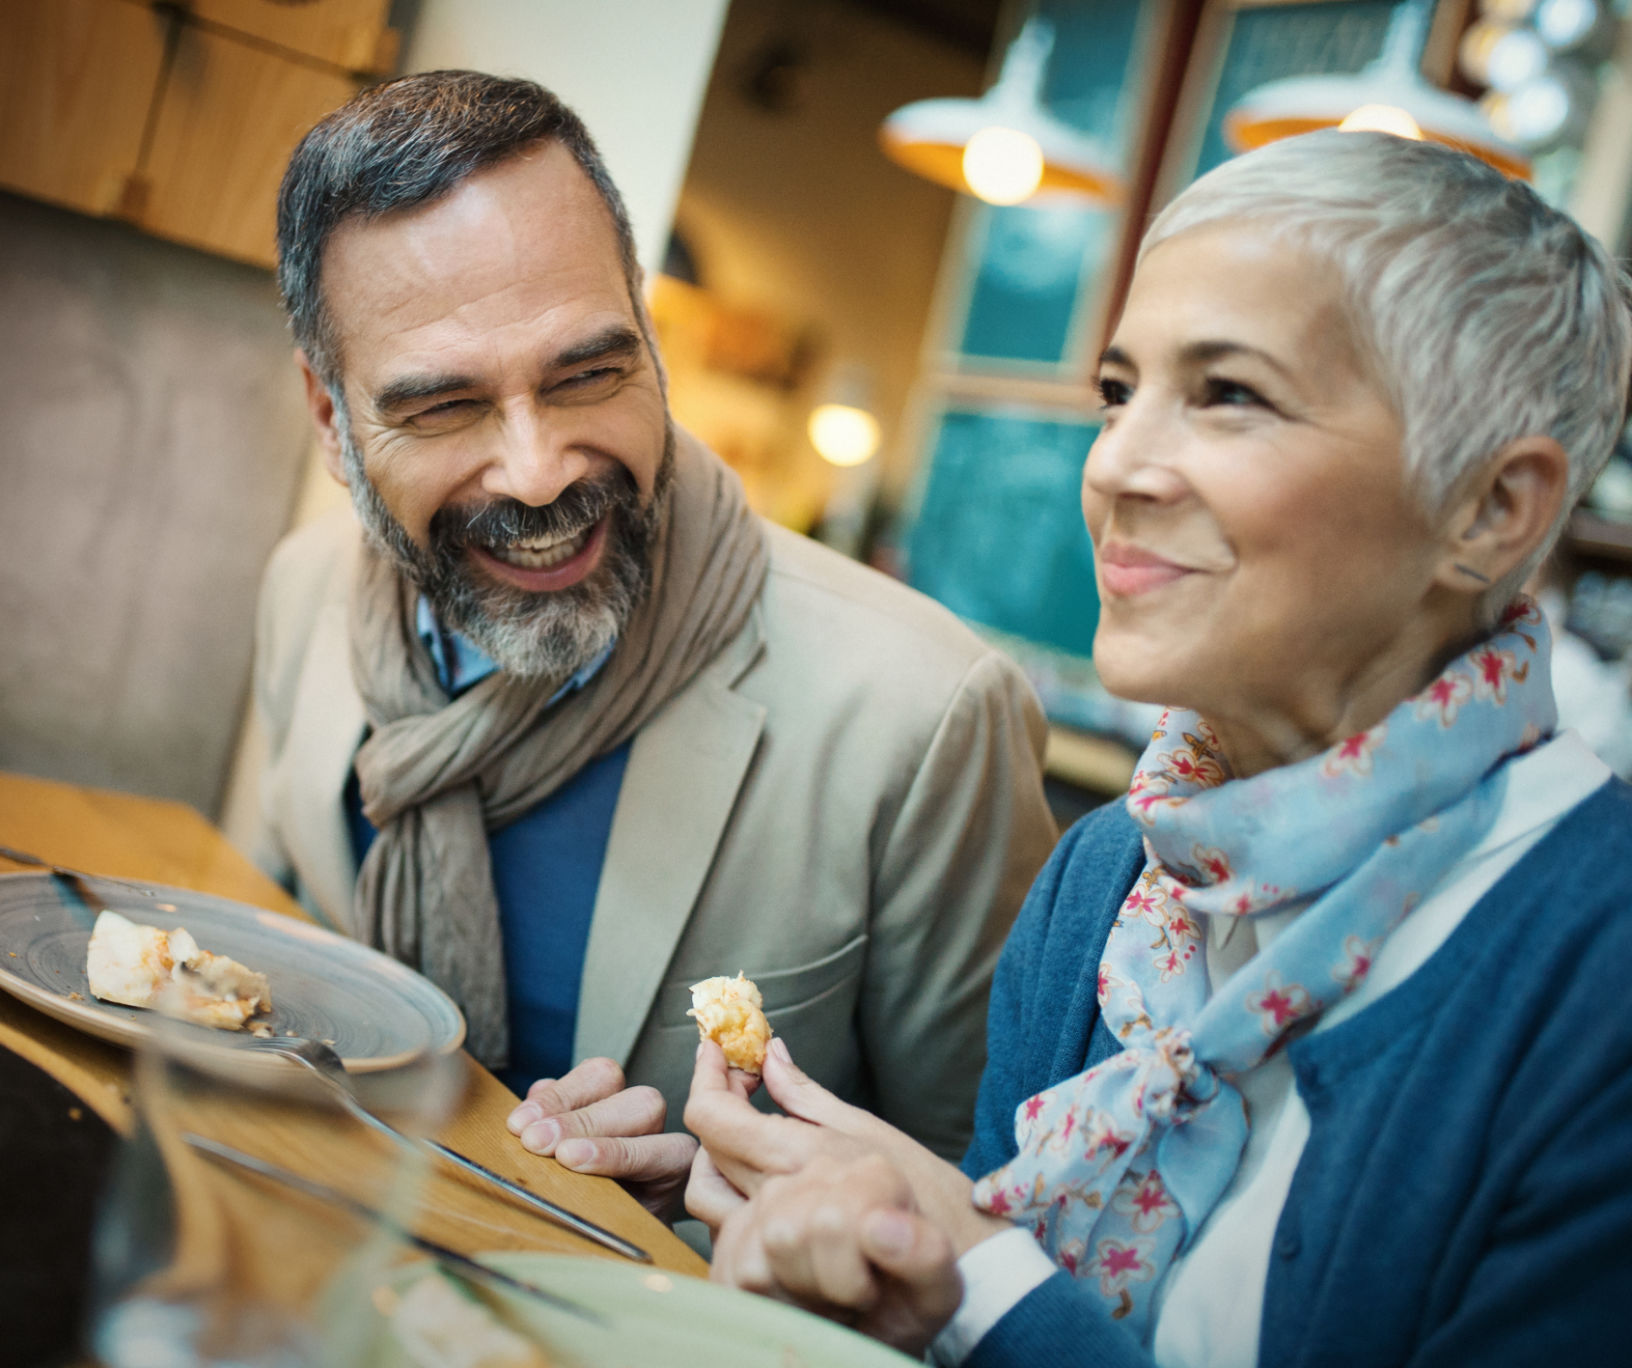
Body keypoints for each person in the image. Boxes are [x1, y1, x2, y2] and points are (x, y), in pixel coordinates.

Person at [682, 129, 1632, 1364]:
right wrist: (861, 1269)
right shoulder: (1100, 881)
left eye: (1227, 394)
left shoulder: (1598, 975)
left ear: (1488, 511)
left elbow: (993, 1296)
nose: (1115, 464)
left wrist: (977, 1278)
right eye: (1117, 392)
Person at [245, 70, 1057, 1206]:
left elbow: (995, 1214)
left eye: (590, 372)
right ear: (332, 419)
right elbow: (252, 964)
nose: (537, 474)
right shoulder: (302, 594)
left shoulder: (925, 714)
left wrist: (735, 1217)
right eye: (442, 408)